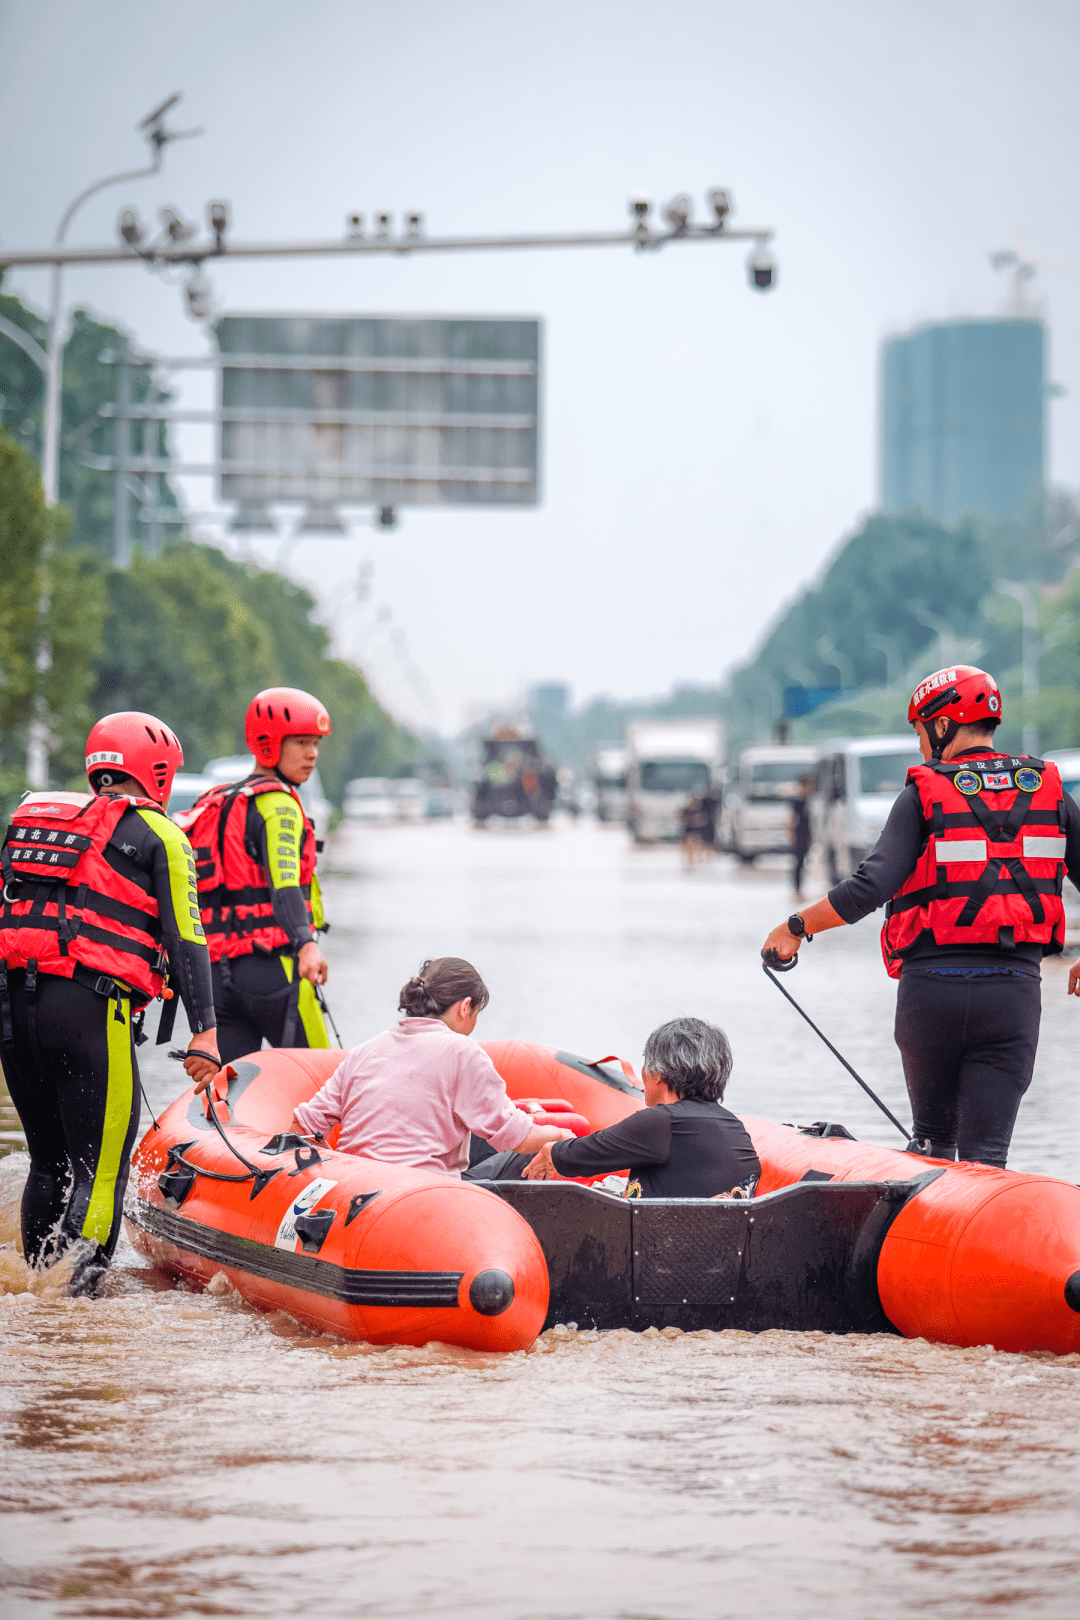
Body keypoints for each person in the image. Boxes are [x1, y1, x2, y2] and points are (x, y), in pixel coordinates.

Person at [761, 665, 1080, 1168]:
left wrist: (795, 927)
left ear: (943, 725)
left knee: (932, 1146)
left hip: (932, 995)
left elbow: (870, 887)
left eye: (918, 732)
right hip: (1013, 994)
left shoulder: (922, 793)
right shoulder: (1049, 789)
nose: (919, 745)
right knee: (987, 1161)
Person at [0, 711, 220, 1294]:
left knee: (47, 1162)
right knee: (99, 1172)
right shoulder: (162, 835)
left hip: (12, 1012)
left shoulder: (36, 821)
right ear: (159, 773)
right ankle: (77, 1303)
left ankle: (36, 1294)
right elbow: (187, 938)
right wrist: (205, 1032)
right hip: (88, 1013)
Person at [279, 957, 573, 1174]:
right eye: (476, 1013)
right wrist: (561, 1139)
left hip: (355, 1188)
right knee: (530, 1156)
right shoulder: (463, 1052)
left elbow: (303, 1126)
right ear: (464, 1006)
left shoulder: (365, 1050)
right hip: (425, 1197)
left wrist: (334, 1171)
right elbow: (516, 1138)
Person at [179, 687, 332, 1064]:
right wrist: (306, 945)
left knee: (233, 1095)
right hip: (272, 968)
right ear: (267, 745)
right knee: (321, 1084)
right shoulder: (279, 806)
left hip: (218, 978)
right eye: (300, 742)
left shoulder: (215, 802)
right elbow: (285, 886)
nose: (312, 754)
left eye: (315, 743)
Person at [518, 1016, 760, 1198]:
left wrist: (552, 1150)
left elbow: (578, 1156)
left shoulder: (661, 1122)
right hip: (712, 1255)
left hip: (655, 1256)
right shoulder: (734, 1127)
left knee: (516, 1165)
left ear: (658, 1075)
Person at [790, 775, 815, 899]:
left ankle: (801, 888)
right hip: (799, 835)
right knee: (798, 863)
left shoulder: (809, 801)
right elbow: (790, 820)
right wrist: (790, 836)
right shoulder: (797, 802)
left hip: (807, 836)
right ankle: (797, 889)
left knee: (804, 863)